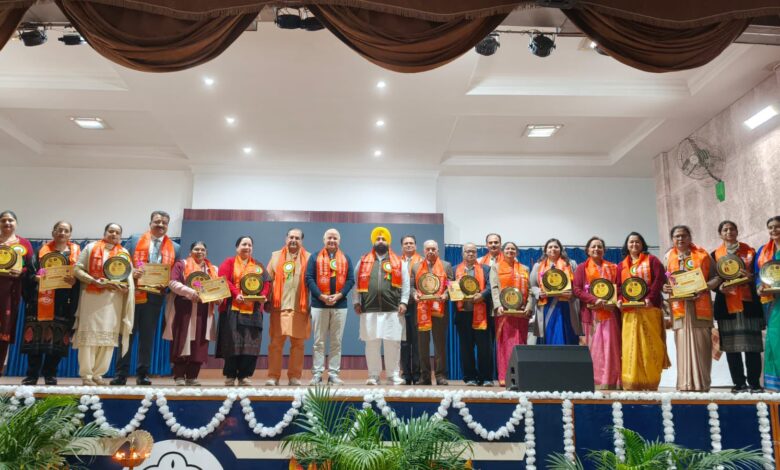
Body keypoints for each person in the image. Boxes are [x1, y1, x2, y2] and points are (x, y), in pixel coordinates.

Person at [111, 211, 180, 386]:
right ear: (150, 223)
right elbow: (120, 262)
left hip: (155, 297)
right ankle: (121, 373)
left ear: (167, 226)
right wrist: (131, 272)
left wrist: (167, 282)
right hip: (133, 294)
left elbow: (174, 274)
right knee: (126, 334)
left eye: (164, 223)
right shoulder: (135, 239)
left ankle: (143, 374)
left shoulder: (175, 247)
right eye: (157, 221)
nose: (160, 225)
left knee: (147, 338)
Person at [72, 223, 135, 386]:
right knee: (89, 338)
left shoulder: (124, 253)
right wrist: (94, 281)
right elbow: (77, 269)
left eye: (117, 232)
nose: (114, 234)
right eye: (111, 231)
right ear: (105, 232)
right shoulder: (91, 248)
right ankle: (87, 375)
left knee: (108, 338)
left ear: (120, 236)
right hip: (91, 297)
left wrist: (126, 287)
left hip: (113, 300)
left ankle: (98, 374)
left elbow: (128, 278)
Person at [20, 221, 80, 385]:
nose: (62, 233)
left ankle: (50, 374)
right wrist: (36, 278)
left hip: (63, 302)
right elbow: (29, 273)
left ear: (70, 235)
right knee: (36, 337)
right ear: (53, 232)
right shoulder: (41, 251)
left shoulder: (76, 254)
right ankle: (32, 375)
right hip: (39, 300)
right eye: (59, 230)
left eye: (66, 230)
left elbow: (81, 277)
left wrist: (75, 281)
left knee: (58, 338)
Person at [663, 225, 719, 392]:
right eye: (677, 236)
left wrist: (704, 286)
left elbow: (717, 277)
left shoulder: (703, 255)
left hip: (700, 307)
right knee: (682, 347)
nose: (680, 239)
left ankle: (702, 384)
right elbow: (664, 282)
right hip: (679, 309)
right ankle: (685, 384)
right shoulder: (668, 257)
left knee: (702, 346)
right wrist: (664, 287)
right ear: (672, 239)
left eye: (684, 235)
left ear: (690, 237)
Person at [711, 220, 764, 393]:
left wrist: (750, 277)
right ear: (720, 234)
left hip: (749, 305)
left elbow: (759, 274)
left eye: (732, 229)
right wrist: (720, 288)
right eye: (725, 230)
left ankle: (754, 383)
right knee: (731, 348)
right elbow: (712, 279)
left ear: (737, 231)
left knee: (753, 347)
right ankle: (739, 383)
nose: (729, 232)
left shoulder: (750, 252)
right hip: (726, 306)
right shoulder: (714, 255)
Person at [353, 226, 409, 385]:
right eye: (378, 239)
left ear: (388, 242)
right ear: (373, 242)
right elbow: (356, 283)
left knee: (393, 343)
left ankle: (393, 375)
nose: (380, 241)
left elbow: (405, 283)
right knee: (371, 343)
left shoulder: (399, 262)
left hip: (393, 309)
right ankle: (373, 375)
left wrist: (404, 302)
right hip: (369, 309)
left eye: (383, 239)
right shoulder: (363, 261)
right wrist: (356, 301)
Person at [163, 241, 221, 386]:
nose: (199, 252)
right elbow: (172, 283)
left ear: (206, 253)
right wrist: (191, 292)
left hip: (204, 311)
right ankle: (179, 376)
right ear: (190, 252)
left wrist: (219, 297)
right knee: (181, 340)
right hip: (184, 309)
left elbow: (218, 289)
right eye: (196, 249)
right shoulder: (181, 265)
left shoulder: (212, 269)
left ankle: (192, 377)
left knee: (199, 344)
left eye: (202, 250)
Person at [616, 232, 668, 391]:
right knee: (630, 346)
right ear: (627, 245)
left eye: (637, 242)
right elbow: (619, 286)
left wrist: (650, 298)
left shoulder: (652, 260)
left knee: (650, 346)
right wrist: (619, 299)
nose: (634, 245)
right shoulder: (621, 265)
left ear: (642, 244)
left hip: (649, 309)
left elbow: (659, 280)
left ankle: (651, 381)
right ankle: (632, 382)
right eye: (631, 242)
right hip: (629, 311)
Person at [217, 236, 270, 386]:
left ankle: (244, 376)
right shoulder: (229, 262)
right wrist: (236, 294)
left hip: (253, 310)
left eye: (249, 245)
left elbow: (266, 282)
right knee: (232, 342)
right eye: (244, 244)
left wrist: (262, 296)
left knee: (251, 344)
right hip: (233, 309)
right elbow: (223, 279)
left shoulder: (258, 265)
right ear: (237, 247)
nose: (247, 247)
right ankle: (230, 375)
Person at [305, 228, 354, 385]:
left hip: (340, 305)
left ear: (339, 241)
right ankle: (317, 374)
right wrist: (321, 296)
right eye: (329, 238)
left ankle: (333, 374)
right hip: (319, 305)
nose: (332, 241)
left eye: (335, 238)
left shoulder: (346, 258)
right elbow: (309, 278)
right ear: (324, 240)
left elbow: (350, 280)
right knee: (319, 342)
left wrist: (339, 295)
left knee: (336, 342)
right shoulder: (314, 257)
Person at [572, 236, 621, 390]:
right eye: (593, 246)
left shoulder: (613, 267)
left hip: (610, 313)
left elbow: (619, 287)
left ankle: (612, 381)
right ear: (587, 250)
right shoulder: (582, 268)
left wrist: (616, 301)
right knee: (594, 349)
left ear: (604, 250)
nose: (596, 249)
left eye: (599, 246)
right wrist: (594, 300)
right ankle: (594, 381)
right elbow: (576, 290)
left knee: (611, 347)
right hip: (591, 313)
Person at [266, 228, 310, 386]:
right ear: (286, 239)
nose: (294, 240)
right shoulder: (276, 256)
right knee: (275, 344)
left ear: (301, 241)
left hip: (300, 307)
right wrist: (266, 300)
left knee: (298, 345)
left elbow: (313, 282)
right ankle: (273, 376)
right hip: (279, 307)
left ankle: (294, 377)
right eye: (291, 237)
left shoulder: (309, 258)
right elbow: (267, 280)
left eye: (297, 238)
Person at [489, 241, 531, 387]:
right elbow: (494, 288)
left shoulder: (525, 268)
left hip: (521, 313)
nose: (510, 251)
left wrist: (529, 307)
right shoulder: (496, 267)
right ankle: (505, 377)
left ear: (517, 252)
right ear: (502, 251)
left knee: (520, 343)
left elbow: (530, 290)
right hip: (504, 312)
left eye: (513, 249)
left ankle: (520, 376)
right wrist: (498, 305)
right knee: (505, 345)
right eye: (507, 248)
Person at [412, 240, 453, 385]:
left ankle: (440, 376)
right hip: (422, 310)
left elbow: (450, 284)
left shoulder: (446, 265)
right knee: (422, 345)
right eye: (428, 249)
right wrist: (414, 294)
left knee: (439, 345)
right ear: (424, 251)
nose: (430, 251)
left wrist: (446, 294)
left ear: (438, 251)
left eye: (433, 249)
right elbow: (411, 286)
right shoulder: (416, 266)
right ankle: (425, 376)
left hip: (439, 309)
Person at [529, 238, 581, 345]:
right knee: (549, 335)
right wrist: (539, 292)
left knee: (567, 334)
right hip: (546, 305)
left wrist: (572, 293)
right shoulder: (538, 265)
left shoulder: (571, 264)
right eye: (550, 247)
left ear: (560, 249)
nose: (553, 249)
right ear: (545, 250)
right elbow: (532, 286)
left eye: (556, 247)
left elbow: (577, 284)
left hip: (566, 304)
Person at [0, 210, 33, 377]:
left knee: (4, 329)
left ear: (16, 224)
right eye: (3, 220)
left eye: (10, 220)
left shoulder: (24, 244)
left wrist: (21, 271)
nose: (7, 223)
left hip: (11, 291)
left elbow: (31, 267)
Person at [454, 243, 492, 386]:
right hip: (463, 314)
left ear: (477, 253)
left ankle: (486, 377)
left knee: (484, 348)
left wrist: (482, 295)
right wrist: (456, 293)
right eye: (467, 251)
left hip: (481, 313)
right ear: (462, 253)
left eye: (473, 251)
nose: (470, 254)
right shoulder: (454, 269)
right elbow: (449, 285)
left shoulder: (486, 269)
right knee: (466, 348)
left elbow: (490, 287)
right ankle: (470, 377)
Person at [757, 215, 780, 391]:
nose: (774, 230)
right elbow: (759, 275)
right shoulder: (763, 251)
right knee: (774, 339)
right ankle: (776, 385)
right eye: (770, 227)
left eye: (777, 226)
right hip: (772, 303)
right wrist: (759, 287)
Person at [399, 234, 422, 385]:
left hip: (418, 306)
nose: (408, 245)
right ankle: (406, 374)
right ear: (402, 246)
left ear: (415, 245)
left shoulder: (422, 262)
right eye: (406, 243)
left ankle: (417, 374)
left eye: (411, 243)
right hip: (400, 306)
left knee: (417, 341)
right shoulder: (396, 262)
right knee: (404, 342)